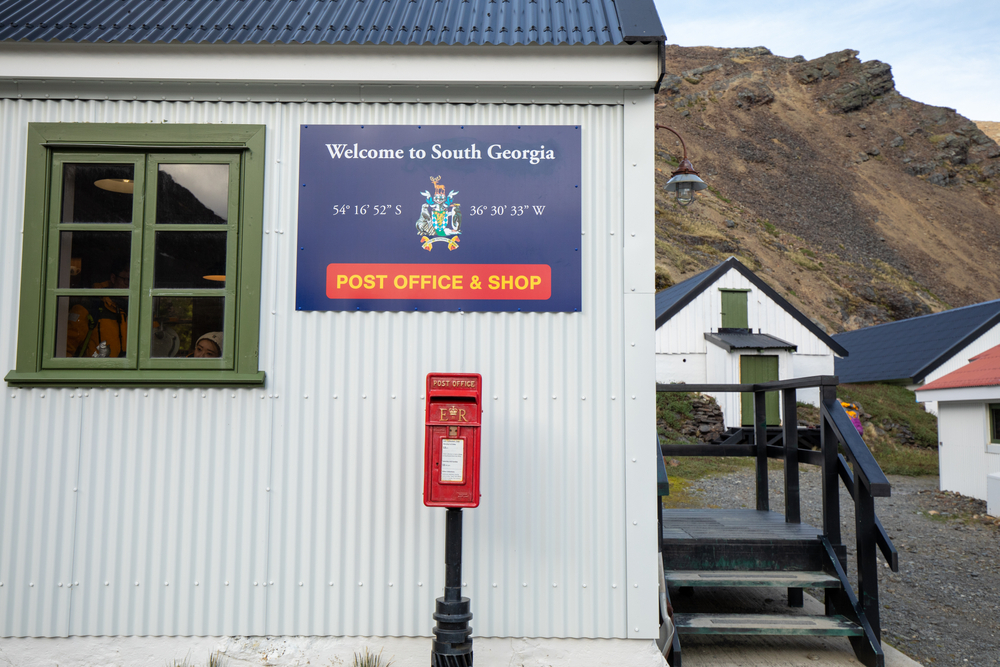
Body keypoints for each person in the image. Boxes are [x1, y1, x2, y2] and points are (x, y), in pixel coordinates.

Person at [65, 266, 129, 358]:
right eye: (127, 279)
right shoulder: (89, 308)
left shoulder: (140, 310)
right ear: (113, 278)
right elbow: (64, 351)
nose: (129, 285)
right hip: (94, 371)